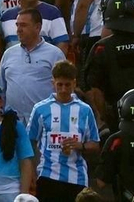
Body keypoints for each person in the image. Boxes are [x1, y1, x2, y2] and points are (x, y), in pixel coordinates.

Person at [26, 60, 101, 202]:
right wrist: (32, 172)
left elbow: (95, 144)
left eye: (67, 85)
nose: (64, 89)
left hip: (77, 178)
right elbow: (29, 141)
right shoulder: (40, 109)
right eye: (59, 85)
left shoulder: (85, 110)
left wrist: (81, 146)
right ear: (53, 83)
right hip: (48, 175)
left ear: (74, 83)